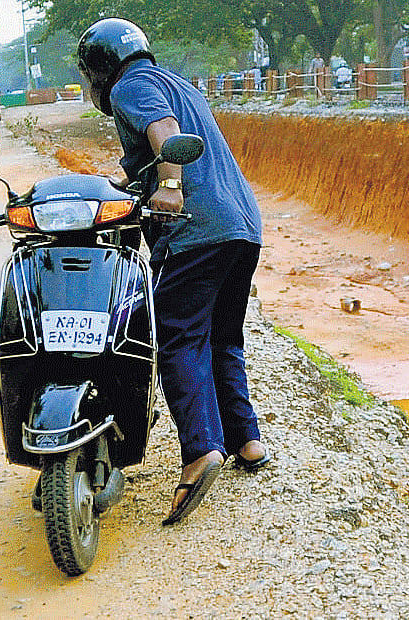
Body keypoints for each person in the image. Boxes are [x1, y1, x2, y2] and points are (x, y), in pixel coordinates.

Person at [77, 17, 270, 526]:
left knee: (178, 337)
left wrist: (171, 187)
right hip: (241, 224)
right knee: (224, 337)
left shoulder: (130, 85)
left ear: (98, 68)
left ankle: (201, 451)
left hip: (196, 228)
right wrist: (111, 185)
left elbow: (167, 137)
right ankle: (246, 440)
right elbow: (152, 152)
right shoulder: (175, 83)